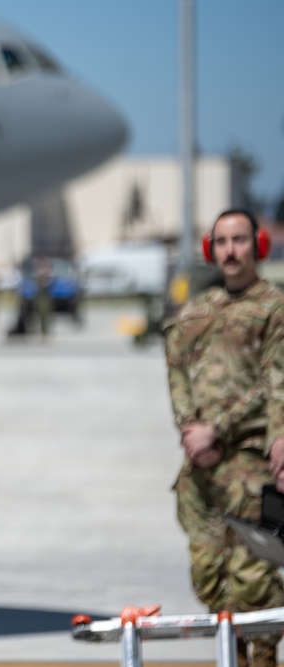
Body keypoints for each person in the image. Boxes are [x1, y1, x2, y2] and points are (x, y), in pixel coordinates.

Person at [164, 209, 284, 667]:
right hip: (203, 465)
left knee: (253, 577)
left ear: (258, 247)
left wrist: (219, 428)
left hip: (251, 460)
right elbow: (176, 368)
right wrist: (191, 429)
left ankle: (265, 659)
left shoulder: (273, 307)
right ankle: (230, 657)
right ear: (210, 250)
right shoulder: (197, 310)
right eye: (222, 242)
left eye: (240, 241)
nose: (231, 251)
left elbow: (274, 383)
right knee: (208, 575)